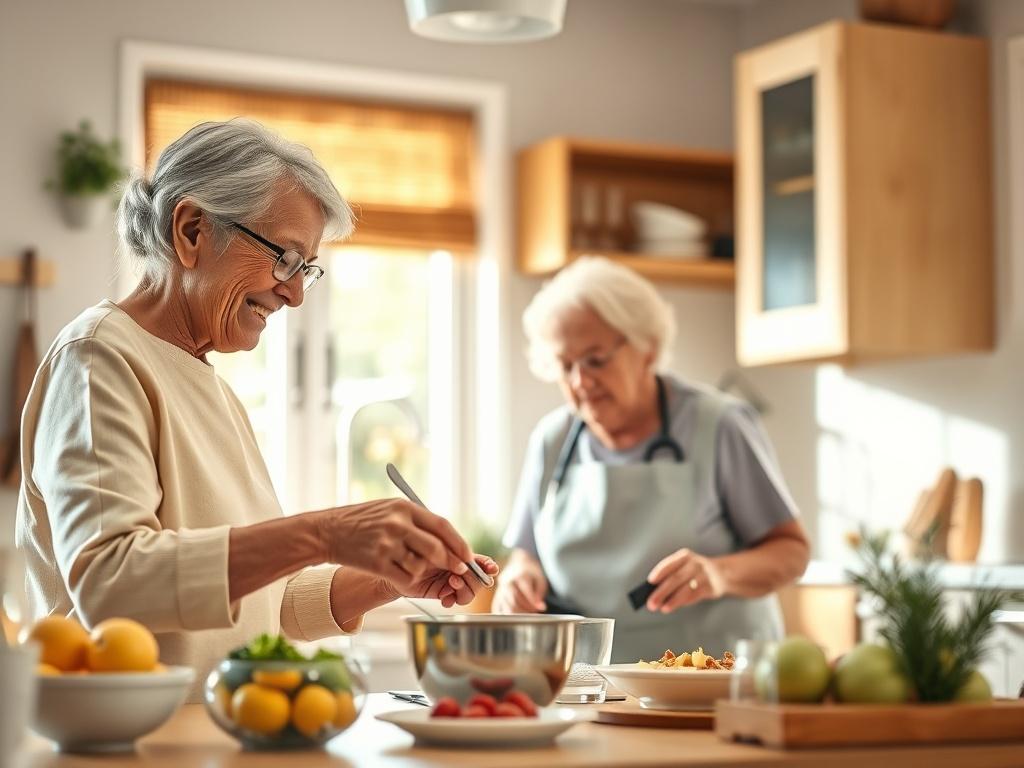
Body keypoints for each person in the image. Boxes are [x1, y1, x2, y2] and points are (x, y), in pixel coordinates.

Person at [15, 120, 496, 696]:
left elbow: (263, 602)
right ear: (192, 231)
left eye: (306, 270)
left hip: (213, 739)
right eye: (286, 258)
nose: (294, 293)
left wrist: (388, 580)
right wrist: (325, 532)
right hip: (132, 746)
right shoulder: (99, 359)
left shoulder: (208, 386)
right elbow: (111, 582)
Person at [494, 257, 808, 661]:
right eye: (565, 364)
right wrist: (521, 577)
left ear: (647, 348)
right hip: (591, 684)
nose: (579, 381)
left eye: (595, 359)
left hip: (710, 685)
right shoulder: (552, 439)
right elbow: (526, 553)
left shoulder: (719, 426)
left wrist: (717, 574)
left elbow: (791, 551)